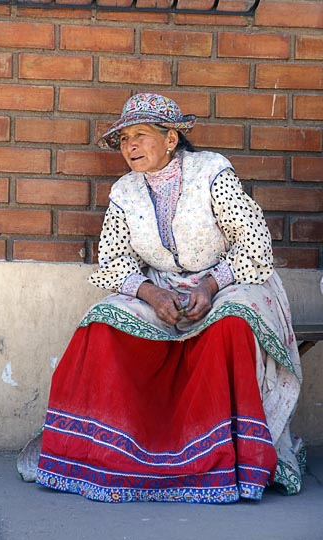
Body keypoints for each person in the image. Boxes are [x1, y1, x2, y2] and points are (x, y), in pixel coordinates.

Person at [19, 93, 303, 504]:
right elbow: (114, 261)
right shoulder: (125, 191)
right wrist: (150, 293)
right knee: (102, 322)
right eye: (123, 140)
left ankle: (220, 459)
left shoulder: (212, 172)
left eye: (140, 135)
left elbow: (254, 244)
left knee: (232, 323)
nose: (130, 146)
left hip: (229, 279)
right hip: (161, 288)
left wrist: (209, 287)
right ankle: (117, 454)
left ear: (171, 139)